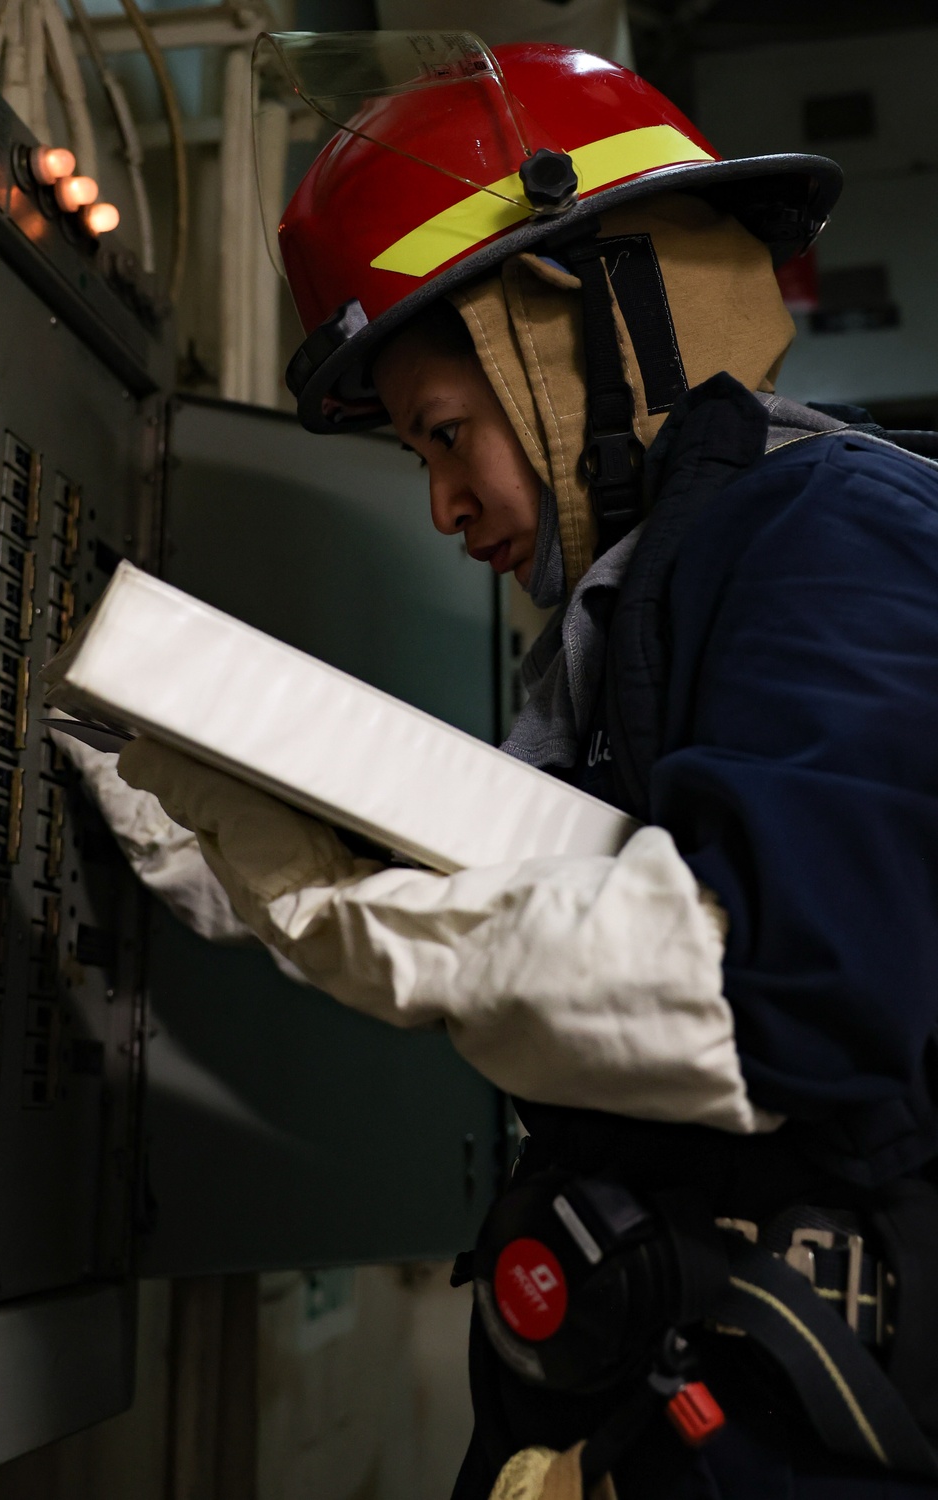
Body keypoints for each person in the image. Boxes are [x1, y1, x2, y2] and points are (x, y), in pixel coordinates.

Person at [67, 33, 938, 1500]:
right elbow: (581, 889)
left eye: (446, 434)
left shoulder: (837, 535)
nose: (445, 507)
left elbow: (751, 993)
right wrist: (261, 840)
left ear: (573, 335)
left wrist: (324, 912)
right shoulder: (661, 607)